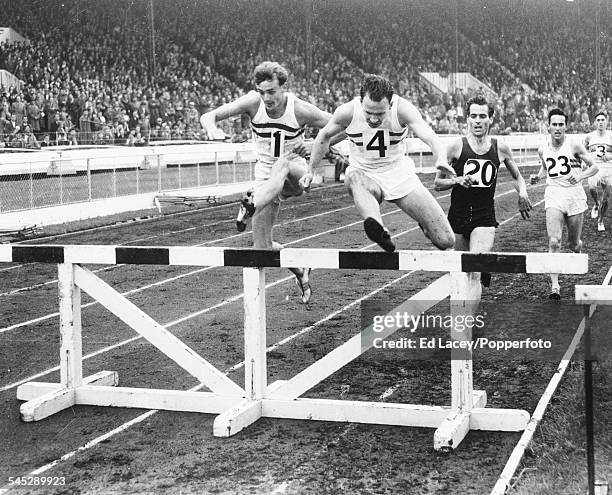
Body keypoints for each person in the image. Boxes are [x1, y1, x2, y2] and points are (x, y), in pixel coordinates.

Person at [200, 61, 339, 304]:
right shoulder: (253, 102)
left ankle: (251, 203)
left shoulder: (300, 110)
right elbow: (208, 116)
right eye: (262, 92)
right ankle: (301, 269)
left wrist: (315, 144)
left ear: (284, 88)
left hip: (295, 174)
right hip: (265, 181)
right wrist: (212, 128)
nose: (266, 98)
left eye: (272, 92)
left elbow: (342, 124)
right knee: (261, 249)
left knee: (282, 164)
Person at [302, 73, 455, 252]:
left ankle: (426, 226)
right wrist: (310, 171)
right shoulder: (347, 111)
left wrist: (441, 158)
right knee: (352, 178)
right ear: (361, 103)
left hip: (398, 174)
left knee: (446, 240)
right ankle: (380, 230)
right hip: (364, 173)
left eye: (380, 113)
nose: (374, 119)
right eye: (368, 113)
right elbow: (324, 135)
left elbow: (429, 136)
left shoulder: (403, 110)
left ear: (390, 105)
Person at [434, 95, 532, 287]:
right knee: (461, 273)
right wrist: (457, 180)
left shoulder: (500, 147)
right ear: (468, 119)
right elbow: (437, 183)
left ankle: (469, 314)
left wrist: (523, 193)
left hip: (484, 216)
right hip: (458, 215)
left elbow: (517, 177)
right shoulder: (456, 146)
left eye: (482, 116)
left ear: (491, 118)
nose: (477, 121)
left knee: (474, 268)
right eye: (473, 116)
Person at [530, 108, 598, 299]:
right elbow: (545, 166)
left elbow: (594, 167)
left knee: (573, 244)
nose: (558, 128)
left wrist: (580, 176)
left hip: (574, 196)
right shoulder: (543, 148)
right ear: (548, 126)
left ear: (565, 126)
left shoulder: (574, 145)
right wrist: (538, 176)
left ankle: (577, 250)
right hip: (554, 194)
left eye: (561, 124)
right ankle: (555, 286)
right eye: (554, 124)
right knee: (554, 241)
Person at [584, 111, 612, 231]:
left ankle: (600, 221)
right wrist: (586, 161)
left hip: (608, 168)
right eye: (598, 120)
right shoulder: (589, 137)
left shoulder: (611, 135)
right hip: (595, 167)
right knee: (591, 187)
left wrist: (610, 156)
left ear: (607, 122)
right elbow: (583, 151)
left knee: (606, 197)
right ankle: (596, 203)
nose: (600, 122)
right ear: (595, 123)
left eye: (602, 120)